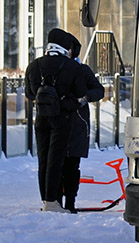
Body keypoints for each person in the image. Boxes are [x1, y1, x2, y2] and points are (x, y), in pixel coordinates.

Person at [24, 28, 98, 213]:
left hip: (41, 118)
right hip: (62, 119)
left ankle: (46, 201)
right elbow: (81, 92)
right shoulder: (74, 68)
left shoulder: (34, 66)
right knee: (57, 160)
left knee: (44, 160)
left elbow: (29, 93)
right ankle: (53, 203)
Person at [61, 37, 105, 213]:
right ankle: (58, 201)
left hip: (77, 124)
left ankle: (70, 202)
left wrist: (85, 97)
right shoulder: (57, 67)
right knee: (59, 164)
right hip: (62, 122)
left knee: (72, 165)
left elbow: (99, 90)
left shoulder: (82, 70)